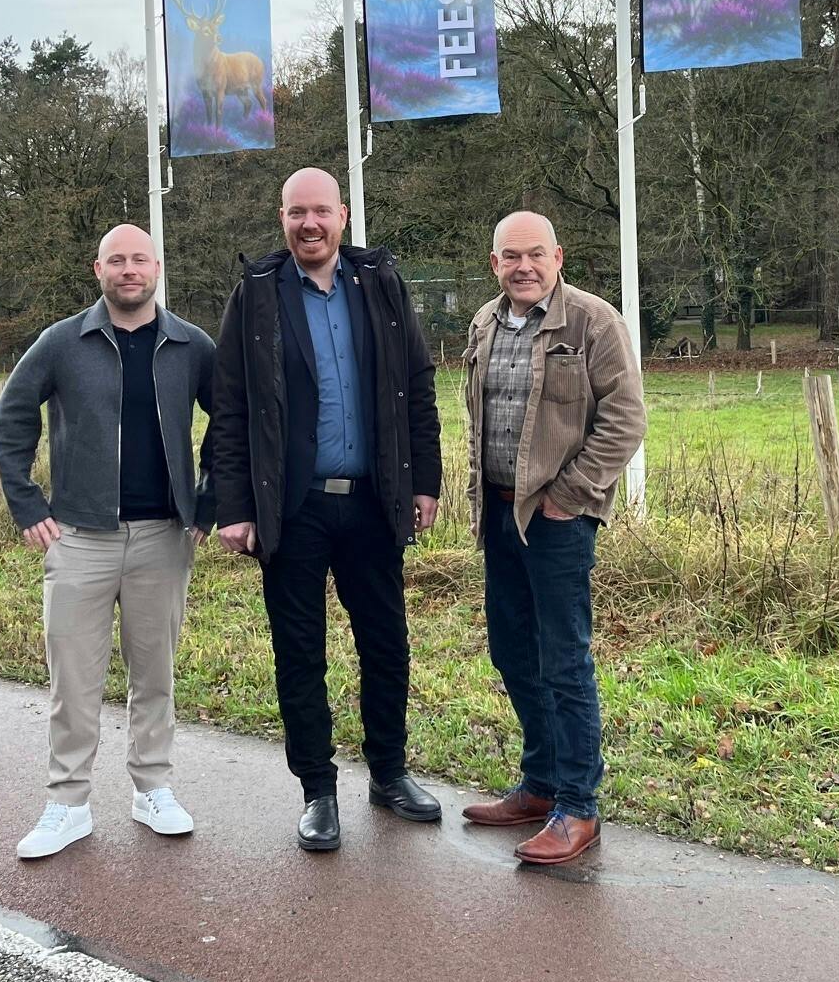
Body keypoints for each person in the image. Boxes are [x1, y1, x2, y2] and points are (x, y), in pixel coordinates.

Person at [207, 168, 443, 852]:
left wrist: (423, 481)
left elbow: (416, 386)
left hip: (372, 503)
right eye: (295, 213)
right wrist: (234, 506)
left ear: (342, 215)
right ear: (281, 218)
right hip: (293, 508)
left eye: (321, 212)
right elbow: (231, 408)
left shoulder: (382, 286)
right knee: (300, 652)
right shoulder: (254, 296)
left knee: (386, 645)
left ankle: (389, 773)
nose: (309, 225)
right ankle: (317, 789)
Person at [0, 224, 213, 859]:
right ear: (98, 270)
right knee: (74, 679)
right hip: (80, 537)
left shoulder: (191, 345)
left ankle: (153, 790)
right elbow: (12, 416)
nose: (129, 270)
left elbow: (230, 421)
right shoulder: (63, 343)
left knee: (155, 675)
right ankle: (67, 804)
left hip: (163, 538)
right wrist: (27, 501)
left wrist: (210, 498)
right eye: (117, 260)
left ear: (157, 267)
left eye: (139, 259)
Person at [459, 211, 646, 865]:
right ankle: (539, 784)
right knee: (512, 651)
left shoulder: (594, 323)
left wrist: (570, 497)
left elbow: (626, 419)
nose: (523, 267)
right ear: (495, 264)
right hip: (499, 517)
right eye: (510, 256)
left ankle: (577, 805)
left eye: (535, 255)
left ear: (558, 257)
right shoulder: (485, 322)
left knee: (564, 658)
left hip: (558, 520)